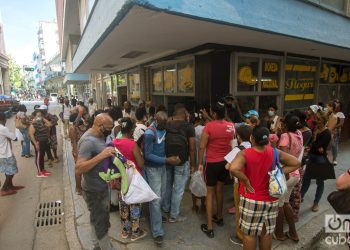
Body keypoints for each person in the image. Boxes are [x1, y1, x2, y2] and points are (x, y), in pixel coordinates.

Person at [229, 126, 301, 250]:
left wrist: (245, 180)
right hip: (271, 199)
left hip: (251, 199)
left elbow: (233, 168)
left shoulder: (245, 153)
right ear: (267, 139)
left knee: (249, 235)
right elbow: (296, 163)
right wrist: (279, 172)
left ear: (252, 138)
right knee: (266, 233)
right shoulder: (275, 152)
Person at [75, 113, 115, 250]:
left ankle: (96, 246)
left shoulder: (99, 136)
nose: (110, 130)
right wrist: (102, 155)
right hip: (95, 191)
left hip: (100, 187)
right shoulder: (88, 142)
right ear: (100, 125)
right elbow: (79, 168)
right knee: (101, 223)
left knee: (96, 219)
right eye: (109, 128)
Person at [143, 111, 181, 245]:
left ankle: (156, 216)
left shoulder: (165, 128)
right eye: (162, 124)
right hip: (153, 169)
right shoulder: (149, 133)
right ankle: (157, 232)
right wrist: (167, 160)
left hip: (162, 167)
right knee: (156, 199)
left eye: (166, 124)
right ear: (155, 120)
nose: (165, 126)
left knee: (162, 194)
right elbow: (147, 155)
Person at [198, 102, 235, 238]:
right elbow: (231, 145)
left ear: (213, 113)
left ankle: (209, 227)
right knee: (220, 190)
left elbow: (202, 146)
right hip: (225, 163)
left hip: (212, 163)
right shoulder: (231, 126)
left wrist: (199, 163)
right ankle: (219, 217)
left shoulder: (209, 126)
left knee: (210, 193)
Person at [111, 117, 147, 241]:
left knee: (124, 205)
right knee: (135, 205)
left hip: (121, 179)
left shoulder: (114, 143)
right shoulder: (133, 144)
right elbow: (141, 164)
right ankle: (135, 233)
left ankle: (125, 232)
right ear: (131, 130)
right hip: (134, 180)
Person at [162, 105, 196, 222]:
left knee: (167, 185)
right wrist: (193, 165)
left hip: (167, 159)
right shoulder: (189, 127)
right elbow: (192, 148)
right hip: (181, 161)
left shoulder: (166, 124)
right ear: (184, 115)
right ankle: (174, 215)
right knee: (178, 188)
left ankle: (166, 208)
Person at [274, 115, 303, 242]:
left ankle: (279, 233)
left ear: (286, 125)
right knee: (286, 202)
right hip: (295, 174)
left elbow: (283, 157)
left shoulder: (285, 137)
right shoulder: (299, 134)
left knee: (279, 205)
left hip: (286, 174)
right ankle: (293, 232)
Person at [224, 124, 253, 246]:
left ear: (238, 136)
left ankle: (241, 236)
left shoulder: (238, 149)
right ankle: (251, 234)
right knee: (250, 211)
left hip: (240, 184)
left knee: (240, 210)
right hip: (253, 183)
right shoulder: (254, 146)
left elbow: (228, 166)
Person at [301, 110, 331, 212]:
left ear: (324, 120)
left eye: (319, 119)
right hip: (312, 156)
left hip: (320, 159)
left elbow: (320, 148)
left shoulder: (327, 133)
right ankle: (300, 196)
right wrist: (313, 146)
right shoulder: (315, 129)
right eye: (316, 119)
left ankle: (316, 203)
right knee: (306, 179)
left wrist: (314, 141)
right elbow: (314, 145)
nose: (316, 121)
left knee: (320, 182)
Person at [289, 109, 313, 220]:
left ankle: (294, 214)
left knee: (295, 190)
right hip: (295, 162)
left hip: (298, 163)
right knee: (292, 190)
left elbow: (296, 147)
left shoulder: (304, 132)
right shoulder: (299, 131)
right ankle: (290, 213)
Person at [0, 112, 24, 196]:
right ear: (4, 119)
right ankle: (3, 189)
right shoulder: (3, 128)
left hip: (1, 154)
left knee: (8, 170)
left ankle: (10, 186)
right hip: (6, 153)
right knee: (12, 171)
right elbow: (14, 138)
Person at [29, 107, 54, 177]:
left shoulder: (43, 123)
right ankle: (39, 172)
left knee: (42, 156)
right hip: (38, 142)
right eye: (38, 116)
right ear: (34, 116)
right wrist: (35, 144)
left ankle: (43, 170)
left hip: (44, 141)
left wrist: (43, 119)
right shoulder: (33, 125)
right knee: (39, 157)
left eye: (40, 116)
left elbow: (50, 124)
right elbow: (31, 135)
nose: (39, 117)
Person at [69, 112, 90, 194]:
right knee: (79, 171)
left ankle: (84, 185)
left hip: (84, 150)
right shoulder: (73, 129)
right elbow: (73, 142)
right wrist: (76, 153)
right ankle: (78, 188)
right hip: (78, 151)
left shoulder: (82, 126)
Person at [326, 100, 345, 165]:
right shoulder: (329, 113)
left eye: (338, 105)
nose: (336, 106)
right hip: (329, 130)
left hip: (336, 131)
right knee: (327, 144)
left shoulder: (340, 114)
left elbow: (341, 124)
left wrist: (332, 126)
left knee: (334, 145)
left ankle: (334, 159)